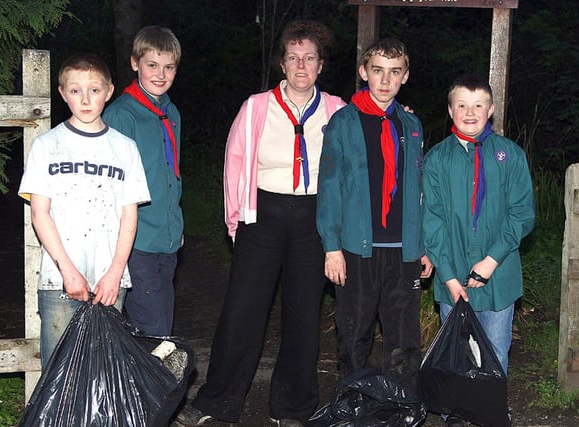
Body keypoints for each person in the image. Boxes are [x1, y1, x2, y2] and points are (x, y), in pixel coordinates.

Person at [176, 20, 346, 427]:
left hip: (314, 219)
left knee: (304, 314)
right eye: (293, 58)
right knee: (242, 311)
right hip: (262, 216)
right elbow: (234, 165)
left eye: (309, 58)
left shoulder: (338, 110)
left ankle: (294, 407)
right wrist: (236, 222)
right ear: (282, 64)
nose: (301, 66)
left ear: (321, 66)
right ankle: (218, 400)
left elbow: (359, 159)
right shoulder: (256, 106)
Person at [315, 38, 433, 394]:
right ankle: (353, 402)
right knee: (354, 333)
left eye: (394, 72)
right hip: (356, 247)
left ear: (405, 76)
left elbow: (418, 189)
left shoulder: (411, 125)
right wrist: (331, 247)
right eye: (378, 70)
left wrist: (422, 244)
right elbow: (330, 187)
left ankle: (400, 406)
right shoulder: (343, 123)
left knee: (403, 338)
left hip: (403, 249)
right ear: (364, 72)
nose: (385, 80)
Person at [18, 53, 150, 368]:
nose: (86, 98)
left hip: (109, 281)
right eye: (75, 90)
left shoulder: (125, 148)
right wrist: (68, 272)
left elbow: (129, 216)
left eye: (94, 89)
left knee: (104, 369)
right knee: (59, 371)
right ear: (63, 94)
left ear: (109, 91)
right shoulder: (46, 145)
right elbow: (40, 214)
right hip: (59, 280)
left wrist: (115, 273)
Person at [422, 74, 535, 426]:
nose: (469, 112)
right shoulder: (437, 159)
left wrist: (490, 260)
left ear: (491, 109)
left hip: (499, 277)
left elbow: (522, 214)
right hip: (452, 275)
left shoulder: (509, 155)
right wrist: (450, 277)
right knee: (458, 349)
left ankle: (490, 409)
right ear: (450, 110)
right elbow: (432, 221)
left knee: (496, 348)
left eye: (478, 105)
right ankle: (457, 411)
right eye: (461, 105)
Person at [103, 26, 184, 336]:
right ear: (135, 63)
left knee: (160, 324)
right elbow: (111, 185)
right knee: (153, 331)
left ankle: (147, 383)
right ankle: (148, 384)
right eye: (152, 65)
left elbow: (170, 173)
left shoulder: (171, 112)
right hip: (136, 241)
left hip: (166, 237)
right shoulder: (122, 115)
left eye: (169, 67)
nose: (160, 74)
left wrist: (175, 224)